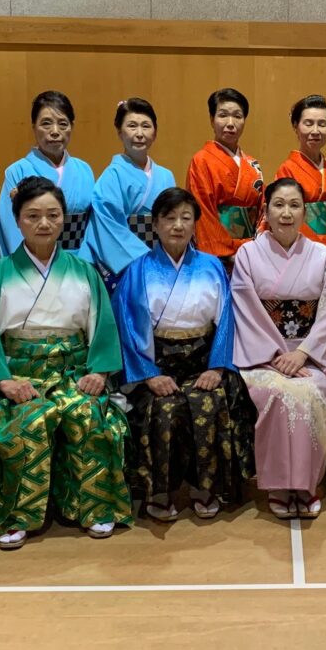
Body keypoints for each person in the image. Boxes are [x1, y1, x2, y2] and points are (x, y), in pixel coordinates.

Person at [0, 177, 130, 550]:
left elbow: (101, 324)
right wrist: (3, 381)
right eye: (33, 215)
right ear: (18, 220)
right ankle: (16, 514)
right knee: (27, 421)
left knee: (89, 415)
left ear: (64, 219)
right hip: (20, 373)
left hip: (73, 370)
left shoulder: (82, 269)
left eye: (52, 215)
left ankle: (94, 505)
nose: (43, 223)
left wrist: (99, 371)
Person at [113, 187, 254, 521]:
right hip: (157, 364)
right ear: (156, 224)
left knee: (209, 403)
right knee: (163, 408)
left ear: (195, 224)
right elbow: (127, 328)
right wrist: (149, 375)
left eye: (185, 218)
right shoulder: (136, 271)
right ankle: (159, 490)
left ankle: (205, 486)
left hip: (203, 361)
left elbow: (226, 321)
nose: (177, 225)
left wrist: (217, 367)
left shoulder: (211, 266)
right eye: (169, 218)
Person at [231, 178, 326, 520]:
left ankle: (306, 483)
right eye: (278, 204)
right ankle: (280, 484)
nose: (286, 212)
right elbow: (247, 308)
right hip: (264, 356)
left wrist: (304, 352)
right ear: (265, 210)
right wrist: (277, 355)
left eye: (294, 205)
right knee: (278, 395)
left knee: (309, 393)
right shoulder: (248, 254)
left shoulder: (321, 254)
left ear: (305, 212)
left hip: (310, 355)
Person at [86, 97, 176, 287]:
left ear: (155, 132)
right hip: (129, 266)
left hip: (163, 260)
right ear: (119, 132)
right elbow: (109, 226)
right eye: (132, 126)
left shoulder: (166, 176)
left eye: (146, 126)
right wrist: (144, 261)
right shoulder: (112, 176)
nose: (139, 134)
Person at [0, 90, 96, 259]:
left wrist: (86, 263)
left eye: (63, 124)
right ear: (34, 127)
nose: (55, 131)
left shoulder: (84, 169)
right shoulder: (17, 171)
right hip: (34, 261)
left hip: (79, 260)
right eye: (46, 123)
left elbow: (94, 224)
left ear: (72, 126)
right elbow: (9, 226)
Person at [268, 94, 326, 278]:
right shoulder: (287, 171)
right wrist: (317, 253)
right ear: (296, 126)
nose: (315, 130)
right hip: (303, 256)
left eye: (322, 124)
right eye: (308, 123)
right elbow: (287, 216)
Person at [186, 87, 265, 267]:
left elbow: (263, 210)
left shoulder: (253, 164)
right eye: (223, 115)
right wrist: (226, 254)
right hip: (217, 256)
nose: (231, 123)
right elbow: (202, 211)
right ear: (212, 120)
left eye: (237, 116)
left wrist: (256, 247)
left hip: (251, 252)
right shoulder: (201, 160)